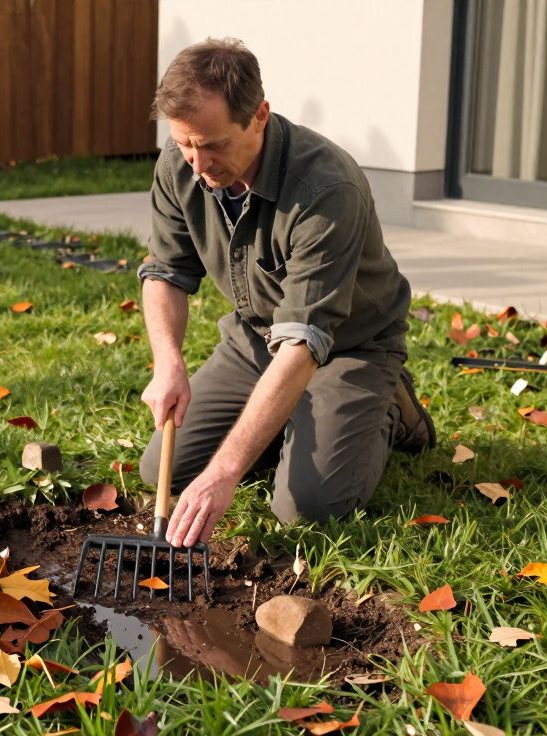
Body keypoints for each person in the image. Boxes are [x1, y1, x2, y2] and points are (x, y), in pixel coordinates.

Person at [135, 38, 436, 549]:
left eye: (212, 144)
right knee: (160, 470)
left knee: (306, 509)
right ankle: (284, 419)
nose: (197, 162)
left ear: (259, 116)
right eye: (185, 143)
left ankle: (392, 407)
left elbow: (303, 342)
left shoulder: (325, 189)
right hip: (254, 338)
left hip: (347, 347)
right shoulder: (180, 162)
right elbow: (165, 272)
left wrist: (228, 470)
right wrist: (168, 362)